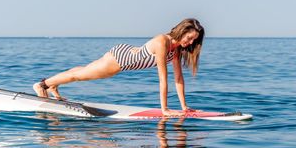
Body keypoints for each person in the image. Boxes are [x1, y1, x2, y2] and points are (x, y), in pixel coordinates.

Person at [33, 18, 205, 117]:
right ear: (182, 31)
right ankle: (43, 85)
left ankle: (54, 84)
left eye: (193, 41)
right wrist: (164, 110)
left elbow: (178, 79)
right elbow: (163, 78)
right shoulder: (163, 42)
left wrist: (184, 107)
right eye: (189, 38)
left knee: (82, 71)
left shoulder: (175, 50)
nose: (189, 43)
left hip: (123, 53)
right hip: (120, 60)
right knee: (81, 75)